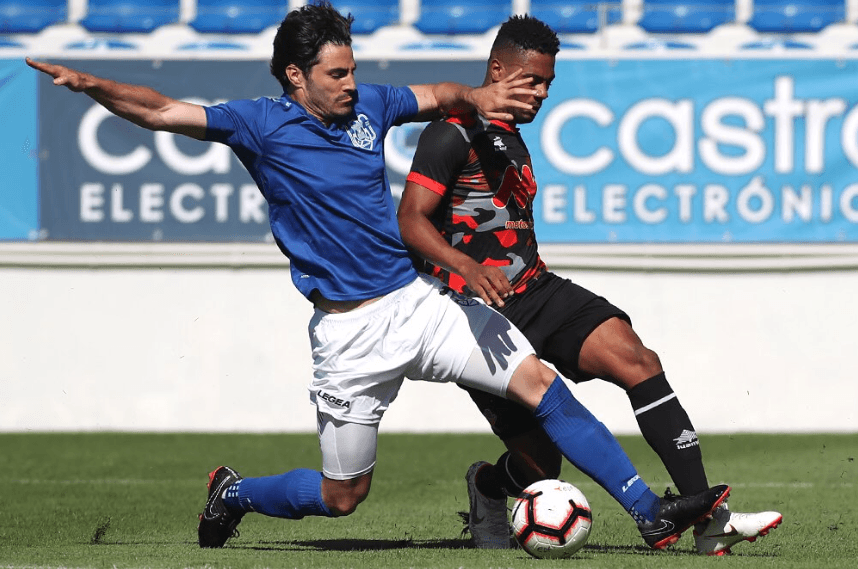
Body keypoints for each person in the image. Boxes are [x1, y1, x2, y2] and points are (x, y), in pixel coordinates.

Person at [28, 1, 730, 552]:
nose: (352, 84)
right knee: (343, 495)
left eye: (353, 69)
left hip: (418, 302)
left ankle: (648, 511)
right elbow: (157, 110)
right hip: (348, 332)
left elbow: (438, 91)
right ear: (296, 76)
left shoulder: (370, 107)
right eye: (337, 73)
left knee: (539, 383)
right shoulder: (258, 124)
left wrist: (476, 97)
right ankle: (234, 494)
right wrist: (91, 84)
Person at [398, 14, 782, 556]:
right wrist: (465, 267)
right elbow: (410, 220)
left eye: (549, 83)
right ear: (497, 70)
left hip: (536, 291)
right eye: (530, 79)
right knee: (541, 466)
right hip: (473, 311)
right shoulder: (450, 131)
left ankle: (708, 520)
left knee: (639, 360)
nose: (541, 93)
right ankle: (488, 486)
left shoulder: (512, 139)